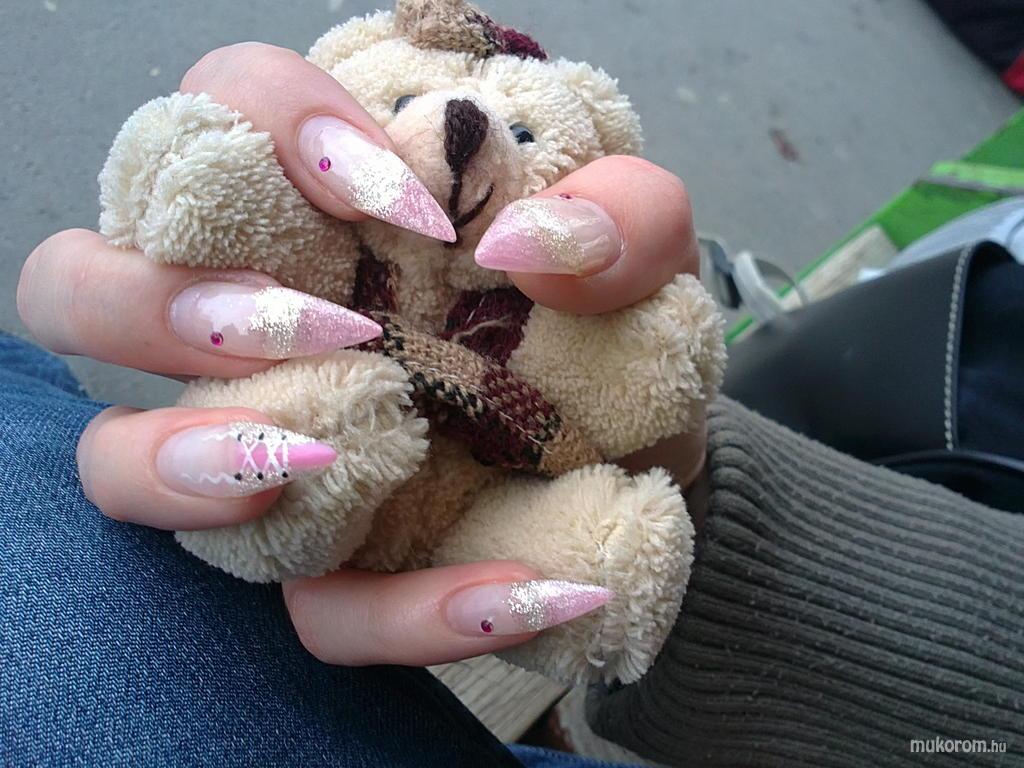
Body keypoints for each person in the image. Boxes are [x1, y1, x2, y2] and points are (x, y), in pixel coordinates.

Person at [4, 44, 1022, 768]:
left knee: (26, 461)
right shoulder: (381, 235)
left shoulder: (530, 304)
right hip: (810, 579)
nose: (464, 131)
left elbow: (639, 370)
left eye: (525, 129)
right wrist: (695, 486)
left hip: (509, 493)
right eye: (407, 99)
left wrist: (644, 364)